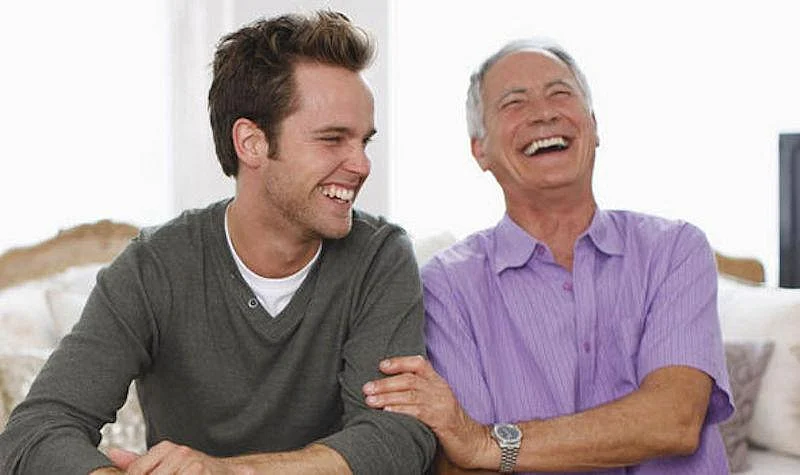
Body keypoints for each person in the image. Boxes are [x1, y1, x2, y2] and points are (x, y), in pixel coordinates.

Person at [0, 11, 435, 475]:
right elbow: (34, 433)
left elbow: (396, 439)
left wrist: (231, 471)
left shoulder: (380, 257)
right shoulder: (154, 267)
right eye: (333, 139)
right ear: (251, 142)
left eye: (364, 141)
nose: (362, 165)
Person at [363, 38, 733, 474]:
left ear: (594, 125)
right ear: (480, 150)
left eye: (560, 93)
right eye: (514, 103)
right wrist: (476, 447)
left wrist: (489, 443)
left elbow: (674, 420)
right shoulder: (446, 286)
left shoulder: (675, 250)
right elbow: (463, 462)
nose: (543, 113)